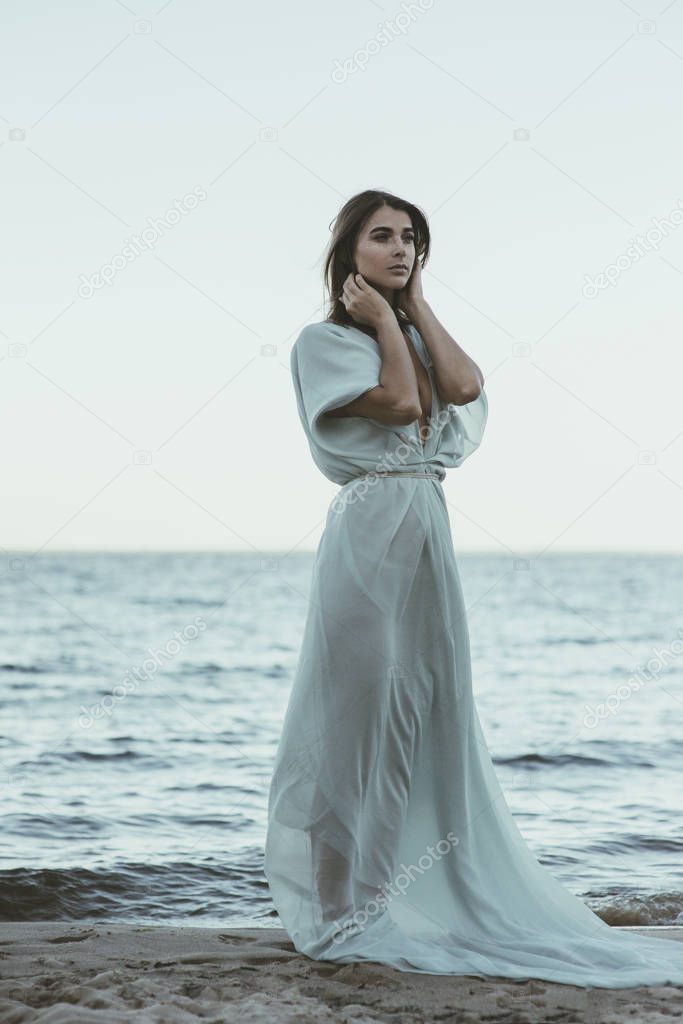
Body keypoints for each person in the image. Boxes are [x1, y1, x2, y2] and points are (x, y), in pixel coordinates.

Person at [264, 189, 683, 986]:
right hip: (368, 524)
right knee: (353, 707)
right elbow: (400, 402)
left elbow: (457, 386)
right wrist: (387, 326)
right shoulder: (323, 341)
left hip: (425, 519)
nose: (400, 249)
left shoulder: (416, 328)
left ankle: (387, 892)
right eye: (382, 237)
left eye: (412, 239)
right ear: (347, 249)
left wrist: (413, 308)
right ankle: (332, 903)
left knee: (424, 707)